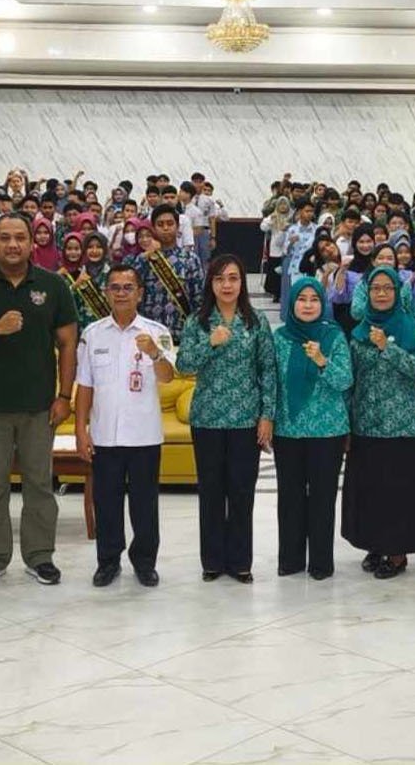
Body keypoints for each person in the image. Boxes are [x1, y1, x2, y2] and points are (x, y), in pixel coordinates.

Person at [0, 213, 78, 587]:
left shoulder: (53, 286)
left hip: (40, 406)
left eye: (20, 237)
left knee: (39, 484)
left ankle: (40, 556)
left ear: (32, 242)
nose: (12, 244)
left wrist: (65, 396)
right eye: (4, 237)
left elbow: (68, 343)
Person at [175, 254, 276, 583]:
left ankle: (240, 561)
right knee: (211, 491)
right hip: (207, 418)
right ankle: (213, 562)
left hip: (246, 420)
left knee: (242, 491)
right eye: (220, 279)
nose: (227, 285)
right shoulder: (197, 321)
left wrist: (267, 415)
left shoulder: (256, 321)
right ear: (211, 283)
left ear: (242, 282)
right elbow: (184, 364)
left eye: (233, 278)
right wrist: (210, 342)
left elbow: (268, 371)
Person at [74, 264, 176, 587]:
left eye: (127, 287)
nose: (121, 293)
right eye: (114, 287)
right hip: (105, 435)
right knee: (106, 502)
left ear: (139, 293)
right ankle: (108, 561)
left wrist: (155, 354)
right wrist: (80, 430)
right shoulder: (92, 334)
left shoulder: (157, 331)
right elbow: (85, 387)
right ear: (106, 292)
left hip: (144, 435)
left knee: (145, 504)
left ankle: (145, 562)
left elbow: (169, 377)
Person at [345, 266, 415, 579]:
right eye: (375, 288)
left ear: (398, 292)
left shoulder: (412, 327)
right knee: (372, 489)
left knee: (399, 490)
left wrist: (388, 348)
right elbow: (350, 380)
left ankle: (397, 553)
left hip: (404, 425)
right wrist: (347, 424)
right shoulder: (357, 332)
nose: (381, 294)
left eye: (388, 288)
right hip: (367, 422)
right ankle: (375, 544)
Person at [270, 276, 351, 580]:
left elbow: (345, 381)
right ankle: (290, 560)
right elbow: (271, 383)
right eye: (301, 299)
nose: (307, 305)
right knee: (289, 496)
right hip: (288, 429)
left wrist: (321, 360)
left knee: (323, 497)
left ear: (323, 303)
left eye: (314, 299)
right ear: (292, 303)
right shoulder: (279, 338)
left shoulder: (334, 337)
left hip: (327, 432)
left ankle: (320, 563)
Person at [133, 204, 205, 343]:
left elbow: (198, 298)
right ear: (153, 228)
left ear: (177, 227)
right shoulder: (144, 258)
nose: (165, 228)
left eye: (170, 224)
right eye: (160, 224)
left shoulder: (190, 259)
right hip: (149, 334)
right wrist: (148, 255)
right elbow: (134, 290)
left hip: (181, 333)